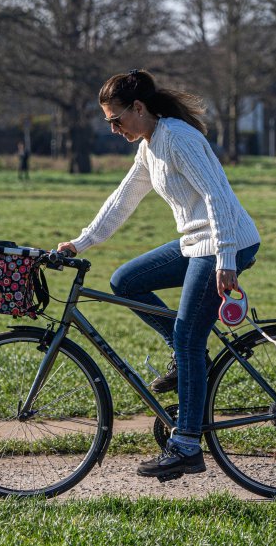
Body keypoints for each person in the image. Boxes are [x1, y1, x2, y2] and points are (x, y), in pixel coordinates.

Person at [56, 69, 261, 480]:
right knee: (126, 280)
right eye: (108, 122)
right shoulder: (150, 145)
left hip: (226, 243)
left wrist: (225, 261)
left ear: (139, 107)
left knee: (188, 336)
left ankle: (186, 445)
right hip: (194, 243)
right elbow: (124, 197)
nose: (114, 128)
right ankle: (190, 358)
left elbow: (216, 195)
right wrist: (81, 242)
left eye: (117, 119)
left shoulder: (178, 138)